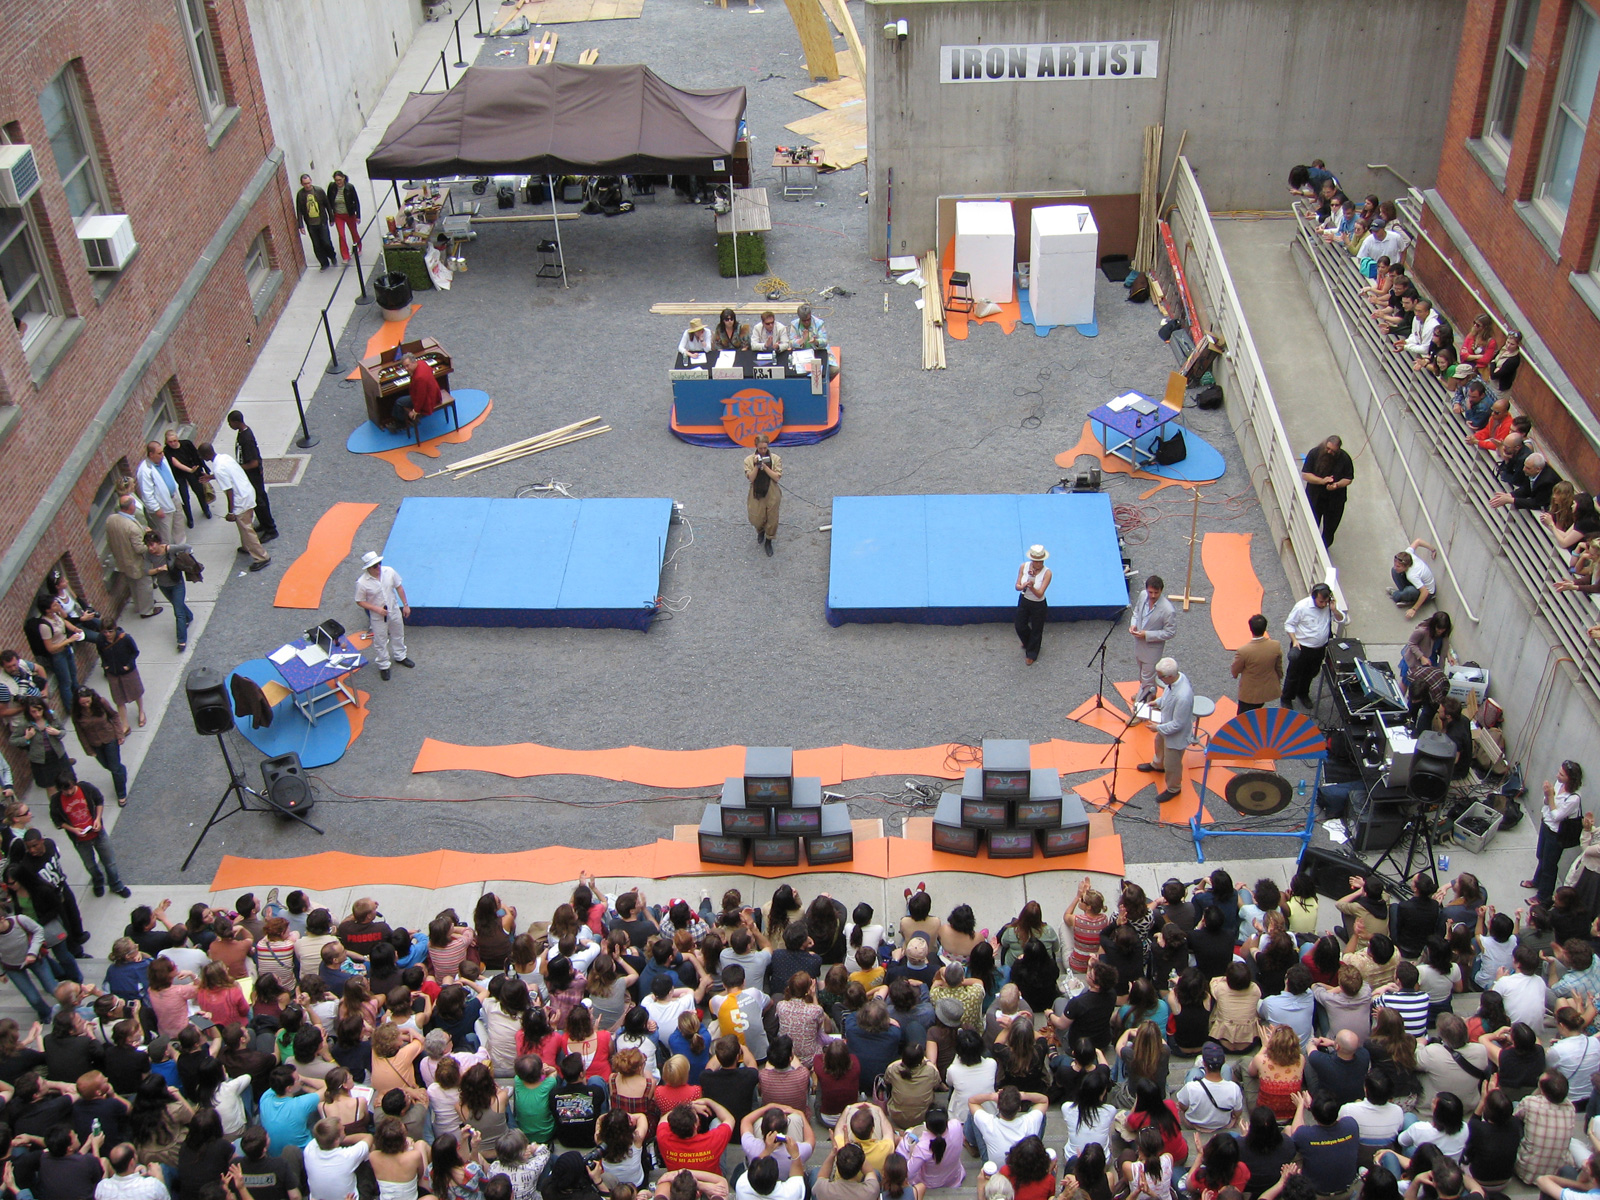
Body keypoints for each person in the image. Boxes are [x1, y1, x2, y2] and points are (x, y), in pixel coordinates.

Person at [49, 771, 128, 898]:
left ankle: (116, 885)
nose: (69, 793)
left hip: (98, 834)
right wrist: (73, 829)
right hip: (80, 840)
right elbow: (57, 821)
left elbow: (99, 801)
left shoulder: (86, 788)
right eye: (65, 790)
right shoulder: (56, 801)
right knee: (90, 865)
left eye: (71, 788)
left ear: (75, 783)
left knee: (109, 861)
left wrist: (97, 819)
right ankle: (98, 881)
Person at [198, 443, 271, 571]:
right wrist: (211, 477)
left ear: (205, 456)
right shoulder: (225, 458)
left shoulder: (218, 468)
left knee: (246, 529)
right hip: (247, 492)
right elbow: (228, 474)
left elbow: (229, 491)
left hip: (240, 500)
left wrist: (230, 512)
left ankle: (262, 557)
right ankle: (247, 546)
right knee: (244, 525)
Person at [1524, 761, 1583, 904]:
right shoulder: (1558, 784)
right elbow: (1546, 804)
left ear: (1570, 778)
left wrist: (1550, 796)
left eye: (1561, 774)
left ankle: (1543, 896)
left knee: (1549, 865)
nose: (1558, 775)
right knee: (1541, 856)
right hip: (1546, 825)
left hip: (1556, 833)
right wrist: (1547, 794)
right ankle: (1537, 880)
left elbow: (1557, 816)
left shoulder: (1573, 798)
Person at [1136, 658, 1192, 804]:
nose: (1158, 679)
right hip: (1165, 723)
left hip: (1174, 734)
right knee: (1159, 745)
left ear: (1170, 676)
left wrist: (1157, 728)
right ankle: (1158, 765)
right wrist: (1159, 702)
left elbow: (1178, 724)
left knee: (1173, 763)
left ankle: (1174, 788)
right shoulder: (1174, 681)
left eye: (1160, 677)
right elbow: (1168, 696)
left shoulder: (1183, 696)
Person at [1281, 583, 1345, 709]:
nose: (1323, 604)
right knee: (1294, 674)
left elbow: (1342, 620)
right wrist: (1294, 640)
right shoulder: (1301, 607)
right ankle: (1287, 698)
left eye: (1326, 602)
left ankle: (1303, 693)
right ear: (1313, 596)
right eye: (1321, 601)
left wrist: (1334, 609)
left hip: (1319, 648)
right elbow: (1289, 625)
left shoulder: (1329, 607)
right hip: (1302, 647)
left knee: (1311, 673)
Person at [354, 551, 414, 682]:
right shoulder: (362, 582)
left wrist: (405, 604)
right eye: (375, 566)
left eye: (379, 564)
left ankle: (400, 656)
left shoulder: (389, 571)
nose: (378, 567)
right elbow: (360, 601)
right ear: (369, 568)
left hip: (393, 609)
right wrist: (376, 609)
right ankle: (383, 664)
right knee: (380, 640)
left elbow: (399, 587)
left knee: (398, 633)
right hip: (378, 616)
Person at [106, 495, 163, 619]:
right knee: (144, 585)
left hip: (122, 560)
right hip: (136, 563)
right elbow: (139, 549)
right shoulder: (132, 528)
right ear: (131, 507)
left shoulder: (111, 519)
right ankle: (147, 610)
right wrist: (151, 545)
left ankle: (139, 605)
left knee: (133, 585)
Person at [226, 412, 278, 543]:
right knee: (258, 501)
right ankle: (264, 523)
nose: (229, 425)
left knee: (259, 502)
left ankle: (271, 530)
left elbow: (254, 462)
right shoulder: (242, 433)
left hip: (253, 476)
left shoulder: (246, 438)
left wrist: (238, 468)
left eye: (230, 422)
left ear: (236, 422)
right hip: (250, 475)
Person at [142, 531, 196, 653]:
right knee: (178, 605)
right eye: (148, 545)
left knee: (178, 613)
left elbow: (188, 547)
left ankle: (181, 640)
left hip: (177, 584)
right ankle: (190, 616)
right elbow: (146, 571)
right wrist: (159, 569)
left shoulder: (169, 549)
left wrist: (184, 560)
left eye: (152, 545)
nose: (150, 548)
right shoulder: (148, 555)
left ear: (158, 543)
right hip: (163, 585)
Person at [1128, 575, 1176, 704]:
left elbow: (1170, 632)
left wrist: (1147, 635)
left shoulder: (1168, 610)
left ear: (1161, 591)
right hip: (1139, 645)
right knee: (1142, 674)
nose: (1153, 595)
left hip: (1152, 650)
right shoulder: (1143, 595)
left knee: (1147, 678)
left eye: (1156, 592)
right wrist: (1133, 624)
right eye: (1150, 592)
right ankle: (1150, 692)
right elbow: (1137, 612)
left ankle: (1139, 710)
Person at [1302, 436, 1355, 546]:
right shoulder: (1314, 453)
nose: (1329, 452)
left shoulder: (1345, 459)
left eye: (1333, 451)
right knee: (1311, 526)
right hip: (1315, 498)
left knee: (1329, 531)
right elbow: (1306, 475)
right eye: (1328, 448)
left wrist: (1336, 485)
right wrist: (1322, 481)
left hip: (1335, 502)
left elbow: (1348, 478)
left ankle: (1323, 549)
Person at [1230, 615, 1283, 713]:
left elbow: (1235, 669)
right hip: (1266, 688)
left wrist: (1235, 675)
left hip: (1249, 692)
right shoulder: (1275, 645)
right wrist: (1279, 677)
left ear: (1250, 629)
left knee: (1243, 715)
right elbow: (1278, 666)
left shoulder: (1244, 651)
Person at [162, 428, 211, 528]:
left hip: (193, 470)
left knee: (199, 491)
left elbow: (197, 456)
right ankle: (189, 518)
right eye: (170, 442)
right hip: (179, 474)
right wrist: (189, 470)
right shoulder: (167, 451)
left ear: (178, 439)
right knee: (184, 497)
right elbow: (175, 463)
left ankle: (206, 509)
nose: (173, 443)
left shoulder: (187, 444)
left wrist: (204, 467)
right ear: (166, 442)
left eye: (175, 440)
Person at [135, 441, 180, 547]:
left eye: (162, 452)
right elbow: (147, 494)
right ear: (151, 454)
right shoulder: (145, 470)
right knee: (165, 533)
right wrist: (156, 509)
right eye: (159, 453)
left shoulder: (162, 460)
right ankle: (169, 554)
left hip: (174, 498)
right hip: (162, 506)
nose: (162, 455)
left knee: (178, 526)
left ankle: (181, 548)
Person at [743, 435, 782, 557]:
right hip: (756, 490)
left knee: (772, 517)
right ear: (756, 447)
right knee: (755, 516)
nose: (763, 450)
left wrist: (764, 466)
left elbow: (776, 477)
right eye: (760, 448)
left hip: (771, 490)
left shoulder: (775, 459)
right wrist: (756, 466)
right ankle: (760, 530)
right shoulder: (748, 460)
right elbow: (751, 478)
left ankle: (769, 540)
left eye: (765, 448)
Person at [1013, 545, 1051, 665]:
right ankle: (1028, 642)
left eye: (1040, 561)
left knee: (1036, 629)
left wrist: (1032, 587)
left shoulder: (1047, 573)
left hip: (1038, 604)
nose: (1038, 563)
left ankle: (1032, 653)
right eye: (1036, 561)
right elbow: (1017, 586)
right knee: (1019, 625)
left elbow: (1040, 594)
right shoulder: (1024, 567)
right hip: (1024, 599)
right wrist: (1024, 585)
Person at [390, 355, 444, 432]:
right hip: (434, 393)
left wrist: (415, 411)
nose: (406, 369)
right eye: (404, 367)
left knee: (399, 402)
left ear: (413, 362)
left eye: (407, 366)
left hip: (428, 400)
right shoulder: (421, 363)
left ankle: (401, 424)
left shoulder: (419, 378)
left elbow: (420, 397)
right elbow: (430, 370)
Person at [296, 174, 338, 269]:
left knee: (326, 241)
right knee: (317, 244)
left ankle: (332, 255)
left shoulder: (318, 191)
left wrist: (331, 218)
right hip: (311, 224)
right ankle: (324, 263)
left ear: (311, 181)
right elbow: (299, 210)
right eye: (305, 184)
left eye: (308, 183)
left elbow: (327, 204)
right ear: (302, 184)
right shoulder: (301, 195)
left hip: (322, 221)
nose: (307, 185)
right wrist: (301, 225)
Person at [1388, 540, 1437, 619]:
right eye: (1395, 565)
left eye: (1398, 566)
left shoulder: (1412, 575)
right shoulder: (1408, 553)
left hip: (1428, 594)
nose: (1395, 567)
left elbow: (1425, 592)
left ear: (1406, 566)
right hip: (1419, 583)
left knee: (1407, 592)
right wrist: (1433, 549)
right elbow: (1418, 541)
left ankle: (1398, 595)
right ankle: (1405, 595)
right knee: (1394, 571)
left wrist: (1414, 609)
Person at [788, 304, 837, 376]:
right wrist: (802, 340)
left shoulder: (819, 323)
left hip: (818, 352)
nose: (806, 322)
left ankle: (823, 383)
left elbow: (825, 341)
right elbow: (791, 343)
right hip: (802, 356)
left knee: (834, 369)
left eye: (808, 320)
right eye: (804, 321)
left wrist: (816, 341)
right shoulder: (794, 325)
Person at [326, 171, 361, 262]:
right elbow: (329, 203)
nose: (338, 182)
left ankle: (358, 246)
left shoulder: (350, 187)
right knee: (341, 235)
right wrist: (331, 217)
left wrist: (358, 215)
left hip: (349, 214)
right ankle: (345, 256)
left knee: (354, 232)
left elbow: (356, 201)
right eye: (336, 180)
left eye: (340, 180)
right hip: (338, 215)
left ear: (343, 178)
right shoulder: (332, 188)